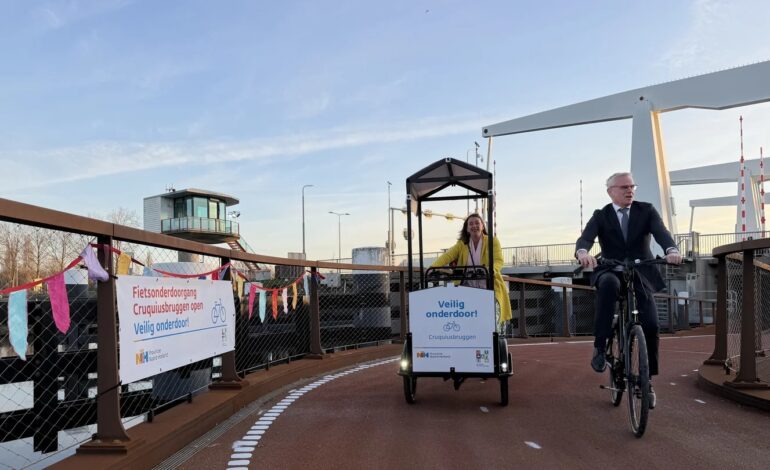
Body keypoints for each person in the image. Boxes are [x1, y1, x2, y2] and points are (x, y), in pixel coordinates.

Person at [575, 172, 682, 409]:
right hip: (611, 268)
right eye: (624, 187)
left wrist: (671, 249)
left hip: (640, 270)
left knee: (652, 324)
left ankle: (647, 381)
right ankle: (600, 347)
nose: (629, 190)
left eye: (632, 186)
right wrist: (583, 254)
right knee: (609, 287)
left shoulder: (647, 210)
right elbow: (585, 240)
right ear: (611, 191)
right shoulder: (601, 215)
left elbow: (662, 233)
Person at [431, 213, 512, 328]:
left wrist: (491, 270)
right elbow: (447, 256)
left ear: (482, 226)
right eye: (471, 224)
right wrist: (432, 268)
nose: (474, 226)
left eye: (477, 223)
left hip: (489, 286)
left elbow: (498, 260)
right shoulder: (462, 244)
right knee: (467, 319)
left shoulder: (492, 241)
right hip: (468, 288)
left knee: (492, 319)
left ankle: (492, 340)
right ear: (467, 228)